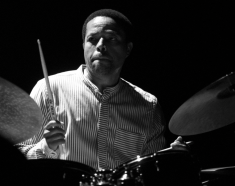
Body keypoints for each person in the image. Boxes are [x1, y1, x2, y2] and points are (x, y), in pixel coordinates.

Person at [16, 9, 187, 170]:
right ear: (83, 45)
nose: (100, 45)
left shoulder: (148, 106)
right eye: (92, 39)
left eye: (111, 38)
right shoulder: (49, 89)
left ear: (128, 48)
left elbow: (152, 172)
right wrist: (45, 148)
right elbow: (15, 159)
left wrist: (170, 160)